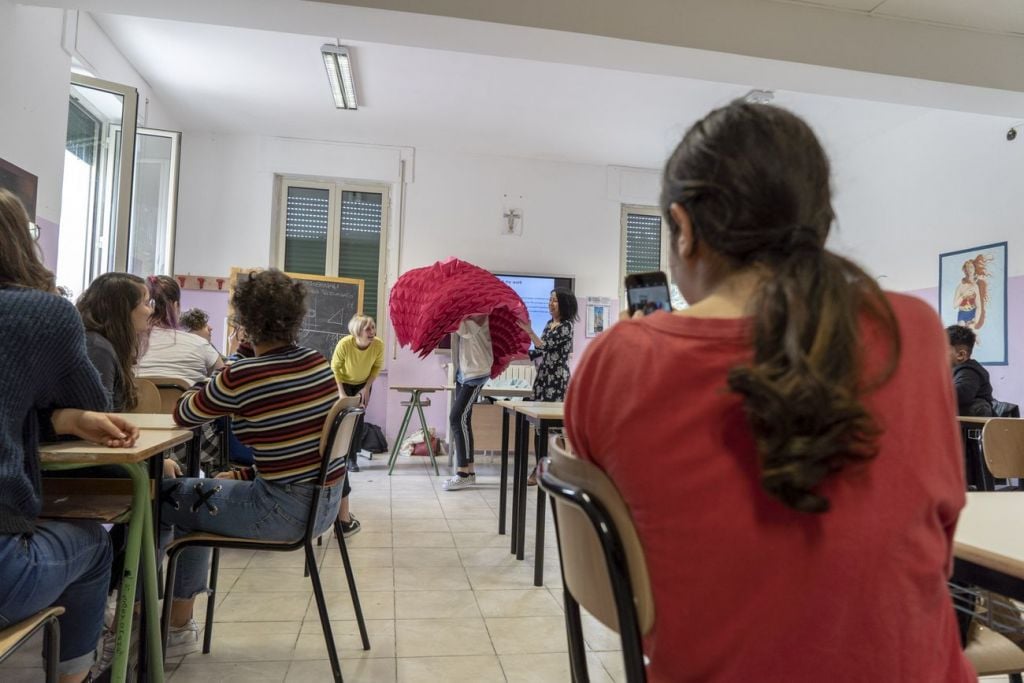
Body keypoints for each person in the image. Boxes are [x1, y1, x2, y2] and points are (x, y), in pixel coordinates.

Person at [564, 103, 972, 681]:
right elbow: (939, 536)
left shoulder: (619, 360)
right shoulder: (911, 330)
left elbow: (620, 584)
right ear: (818, 220)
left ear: (683, 229)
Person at [163, 269, 356, 654]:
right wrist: (243, 472)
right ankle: (175, 622)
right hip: (323, 507)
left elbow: (184, 413)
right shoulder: (316, 362)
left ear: (245, 323)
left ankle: (170, 625)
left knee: (169, 497)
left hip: (281, 512)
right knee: (203, 487)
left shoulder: (242, 374)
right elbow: (297, 446)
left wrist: (235, 361)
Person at [0, 188, 140, 683]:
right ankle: (80, 670)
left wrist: (56, 421)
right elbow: (94, 403)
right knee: (98, 542)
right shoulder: (40, 313)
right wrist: (66, 416)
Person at [517, 289, 578, 484]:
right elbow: (540, 352)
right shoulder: (549, 324)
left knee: (555, 427)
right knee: (538, 426)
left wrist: (529, 332)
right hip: (542, 378)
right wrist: (517, 353)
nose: (551, 304)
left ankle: (558, 469)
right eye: (550, 300)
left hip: (556, 381)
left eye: (555, 301)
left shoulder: (566, 326)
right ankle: (540, 468)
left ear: (565, 305)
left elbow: (544, 347)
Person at [76, 272, 152, 412]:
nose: (150, 311)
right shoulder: (98, 350)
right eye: (146, 303)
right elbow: (97, 418)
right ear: (123, 309)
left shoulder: (100, 344)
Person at [137, 275, 223, 384]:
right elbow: (223, 384)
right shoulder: (201, 345)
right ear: (176, 305)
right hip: (183, 400)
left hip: (140, 400)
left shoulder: (129, 346)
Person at [442, 314, 493, 491]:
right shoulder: (464, 310)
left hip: (476, 372)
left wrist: (447, 316)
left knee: (456, 418)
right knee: (463, 420)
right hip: (464, 371)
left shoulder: (480, 310)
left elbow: (466, 330)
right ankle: (468, 472)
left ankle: (462, 473)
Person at [330, 314, 384, 472]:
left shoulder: (378, 345)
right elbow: (335, 368)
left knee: (358, 419)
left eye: (373, 327)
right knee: (341, 420)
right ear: (357, 331)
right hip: (343, 383)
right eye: (368, 329)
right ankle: (336, 457)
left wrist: (366, 387)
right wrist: (341, 393)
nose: (372, 331)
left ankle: (352, 458)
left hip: (362, 384)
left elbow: (377, 367)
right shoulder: (345, 344)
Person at [947, 325, 994, 417]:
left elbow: (961, 395)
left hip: (975, 427)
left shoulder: (969, 371)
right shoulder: (950, 372)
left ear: (960, 355)